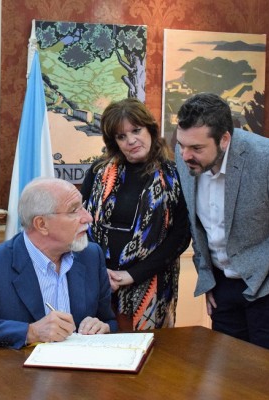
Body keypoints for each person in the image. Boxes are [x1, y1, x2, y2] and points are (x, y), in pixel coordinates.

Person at [174, 92, 269, 357]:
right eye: (181, 145)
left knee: (268, 384)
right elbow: (199, 226)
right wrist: (208, 276)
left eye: (197, 149)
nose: (185, 155)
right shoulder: (186, 156)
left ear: (225, 139)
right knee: (229, 379)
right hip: (224, 290)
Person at [0, 177, 118, 349]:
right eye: (73, 210)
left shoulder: (91, 256)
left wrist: (102, 327)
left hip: (80, 376)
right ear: (42, 225)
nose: (88, 218)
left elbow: (108, 321)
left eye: (83, 207)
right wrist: (30, 332)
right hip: (18, 377)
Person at [81, 98, 191, 331]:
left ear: (150, 128)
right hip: (99, 283)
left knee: (146, 359)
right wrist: (102, 272)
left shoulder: (175, 176)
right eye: (121, 136)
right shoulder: (98, 171)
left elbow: (180, 236)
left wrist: (132, 274)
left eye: (136, 130)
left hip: (150, 285)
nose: (131, 140)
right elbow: (81, 222)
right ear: (114, 141)